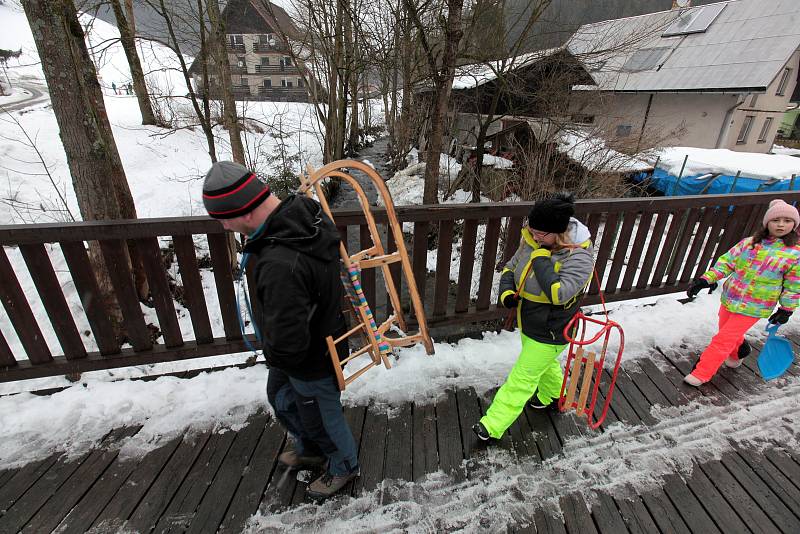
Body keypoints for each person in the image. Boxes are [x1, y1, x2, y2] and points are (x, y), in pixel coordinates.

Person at [202, 160, 359, 500]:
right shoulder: (303, 212)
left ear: (243, 213)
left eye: (223, 219)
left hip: (311, 356)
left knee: (321, 416)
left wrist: (274, 352)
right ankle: (311, 448)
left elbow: (290, 337)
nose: (224, 227)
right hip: (308, 345)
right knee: (283, 399)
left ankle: (343, 465)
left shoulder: (281, 262)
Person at [473, 193, 595, 441]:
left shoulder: (579, 257)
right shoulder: (531, 240)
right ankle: (552, 396)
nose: (534, 236)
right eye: (533, 229)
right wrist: (507, 292)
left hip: (554, 328)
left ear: (558, 232)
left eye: (542, 233)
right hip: (529, 321)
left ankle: (492, 424)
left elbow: (559, 294)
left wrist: (541, 260)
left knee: (523, 377)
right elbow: (511, 266)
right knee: (545, 365)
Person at [684, 199, 800, 386]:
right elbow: (726, 263)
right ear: (766, 222)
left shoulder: (794, 254)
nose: (781, 224)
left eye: (787, 220)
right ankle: (739, 351)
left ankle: (702, 373)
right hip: (731, 297)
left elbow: (794, 285)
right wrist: (706, 279)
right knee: (727, 333)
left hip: (756, 305)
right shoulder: (749, 243)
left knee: (723, 339)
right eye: (776, 220)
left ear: (794, 224)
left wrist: (786, 309)